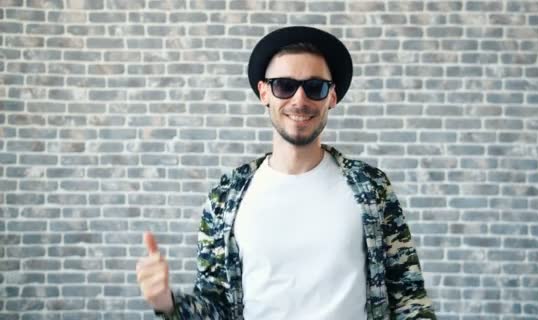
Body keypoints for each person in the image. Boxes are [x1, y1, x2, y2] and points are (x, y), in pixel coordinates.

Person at [136, 26, 436, 320]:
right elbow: (217, 308)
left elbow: (409, 299)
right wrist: (167, 302)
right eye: (284, 85)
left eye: (315, 87)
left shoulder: (371, 187)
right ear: (264, 92)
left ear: (331, 96)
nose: (299, 100)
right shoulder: (226, 197)